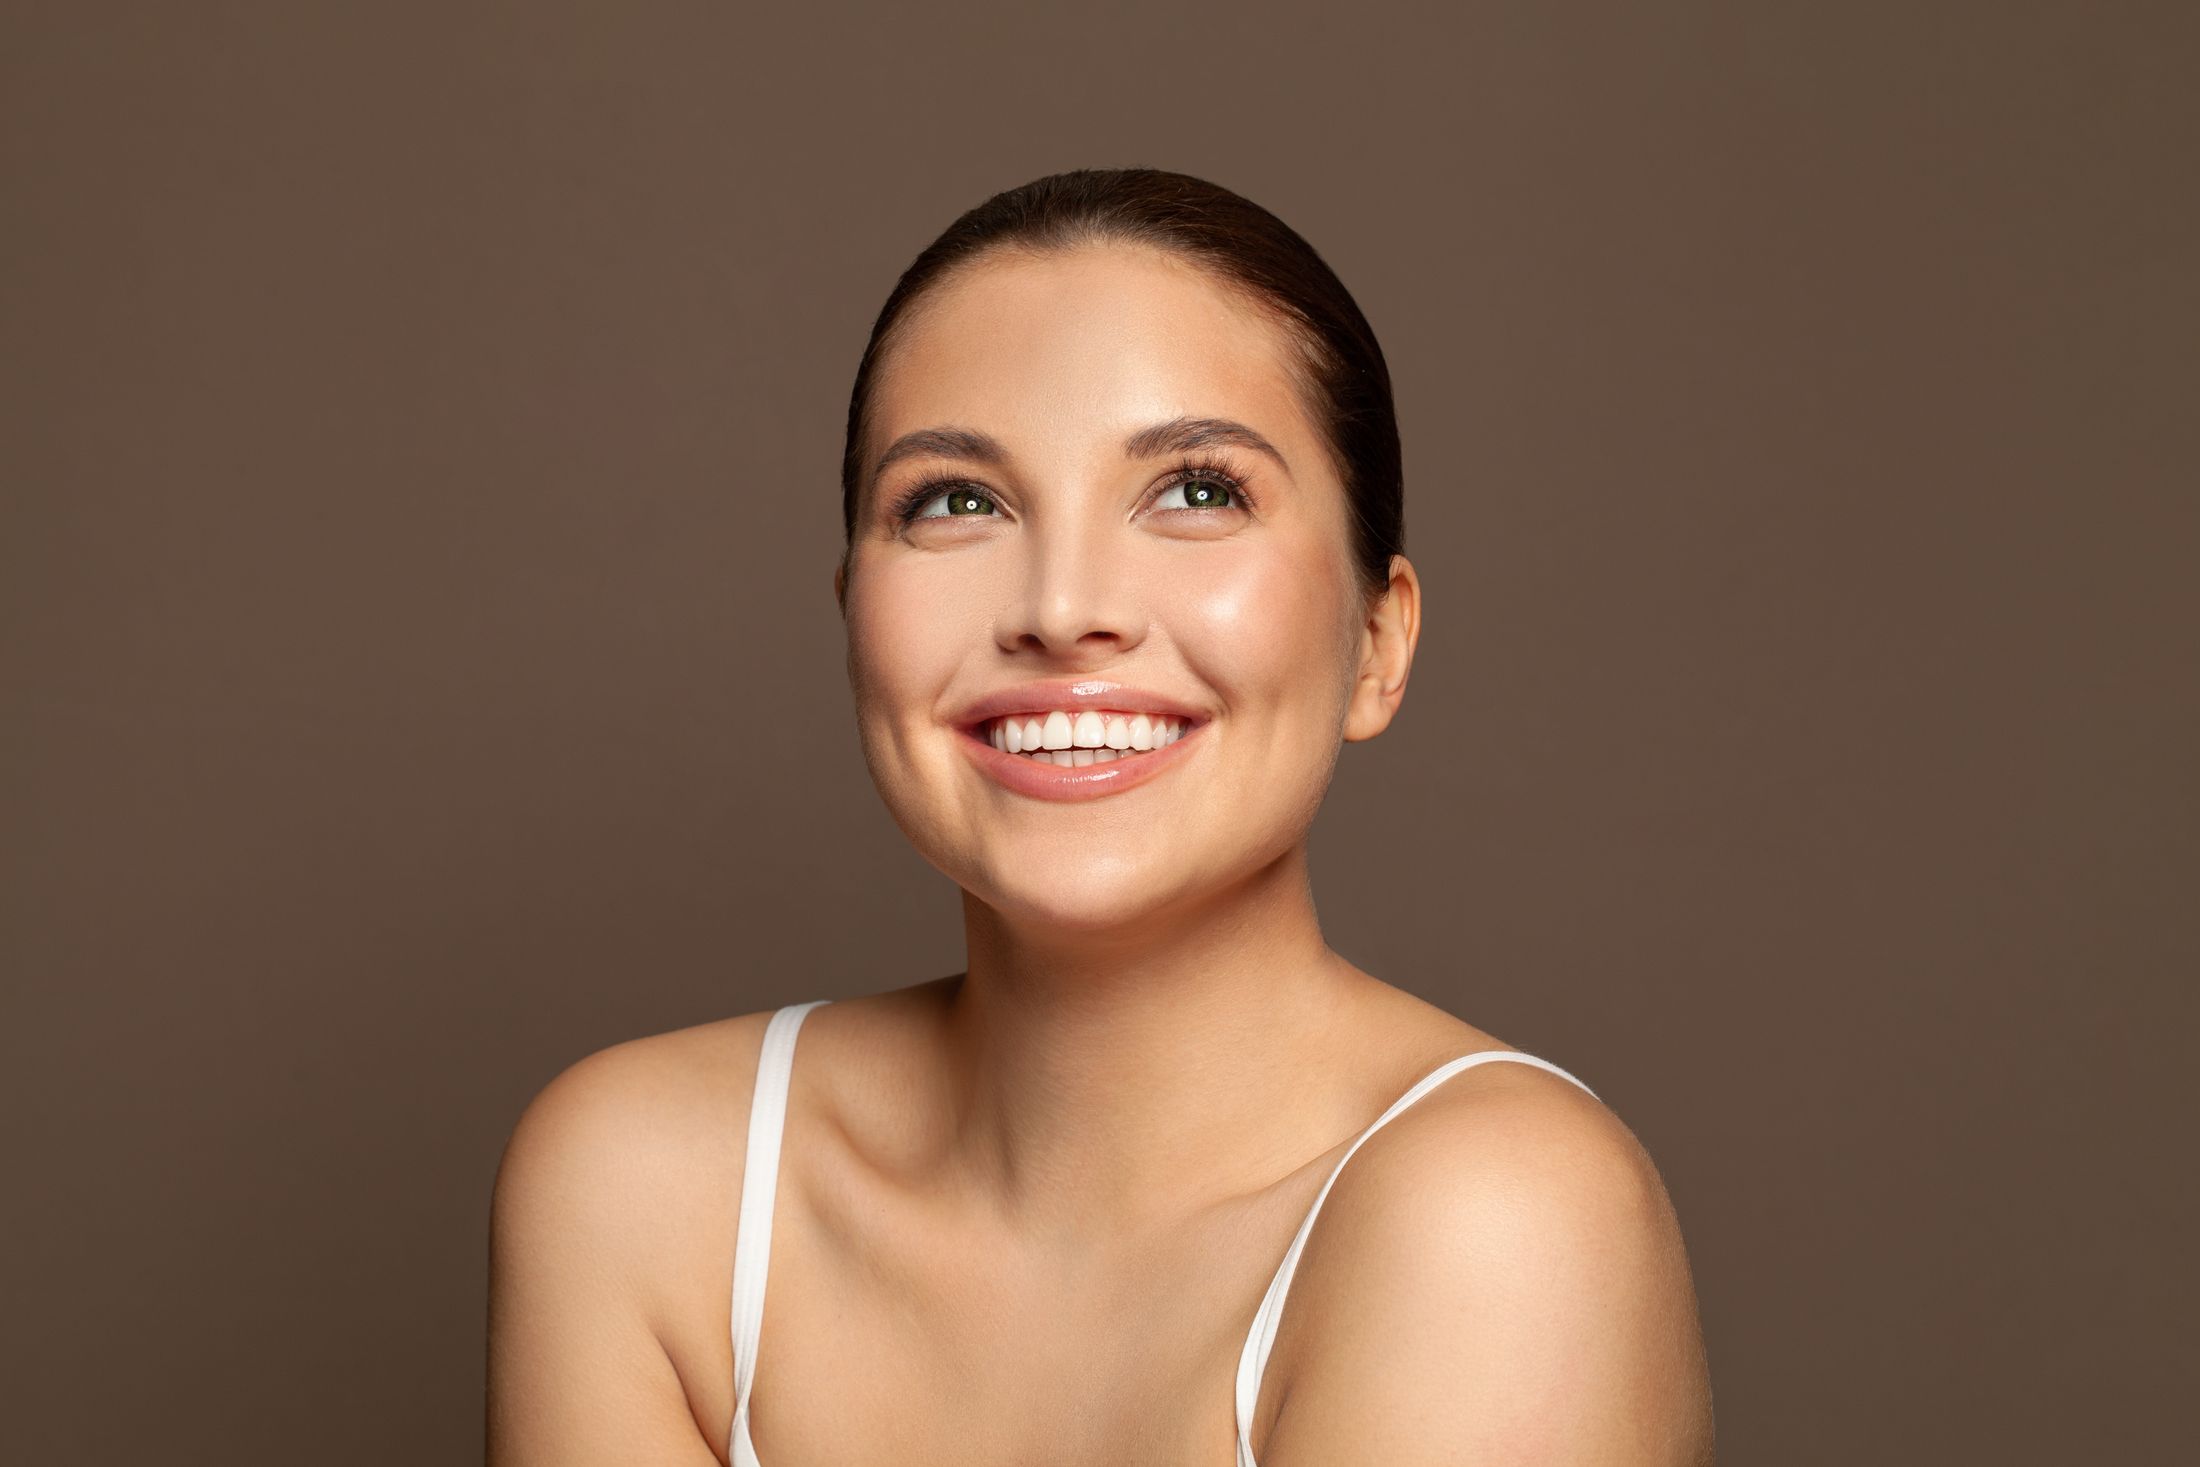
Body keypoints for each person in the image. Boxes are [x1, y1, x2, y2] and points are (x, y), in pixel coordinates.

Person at [487, 167, 1715, 1466]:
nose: (1064, 607)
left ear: (1375, 638)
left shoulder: (1499, 1221)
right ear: (853, 614)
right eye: (956, 502)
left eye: (1196, 490)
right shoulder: (641, 1185)